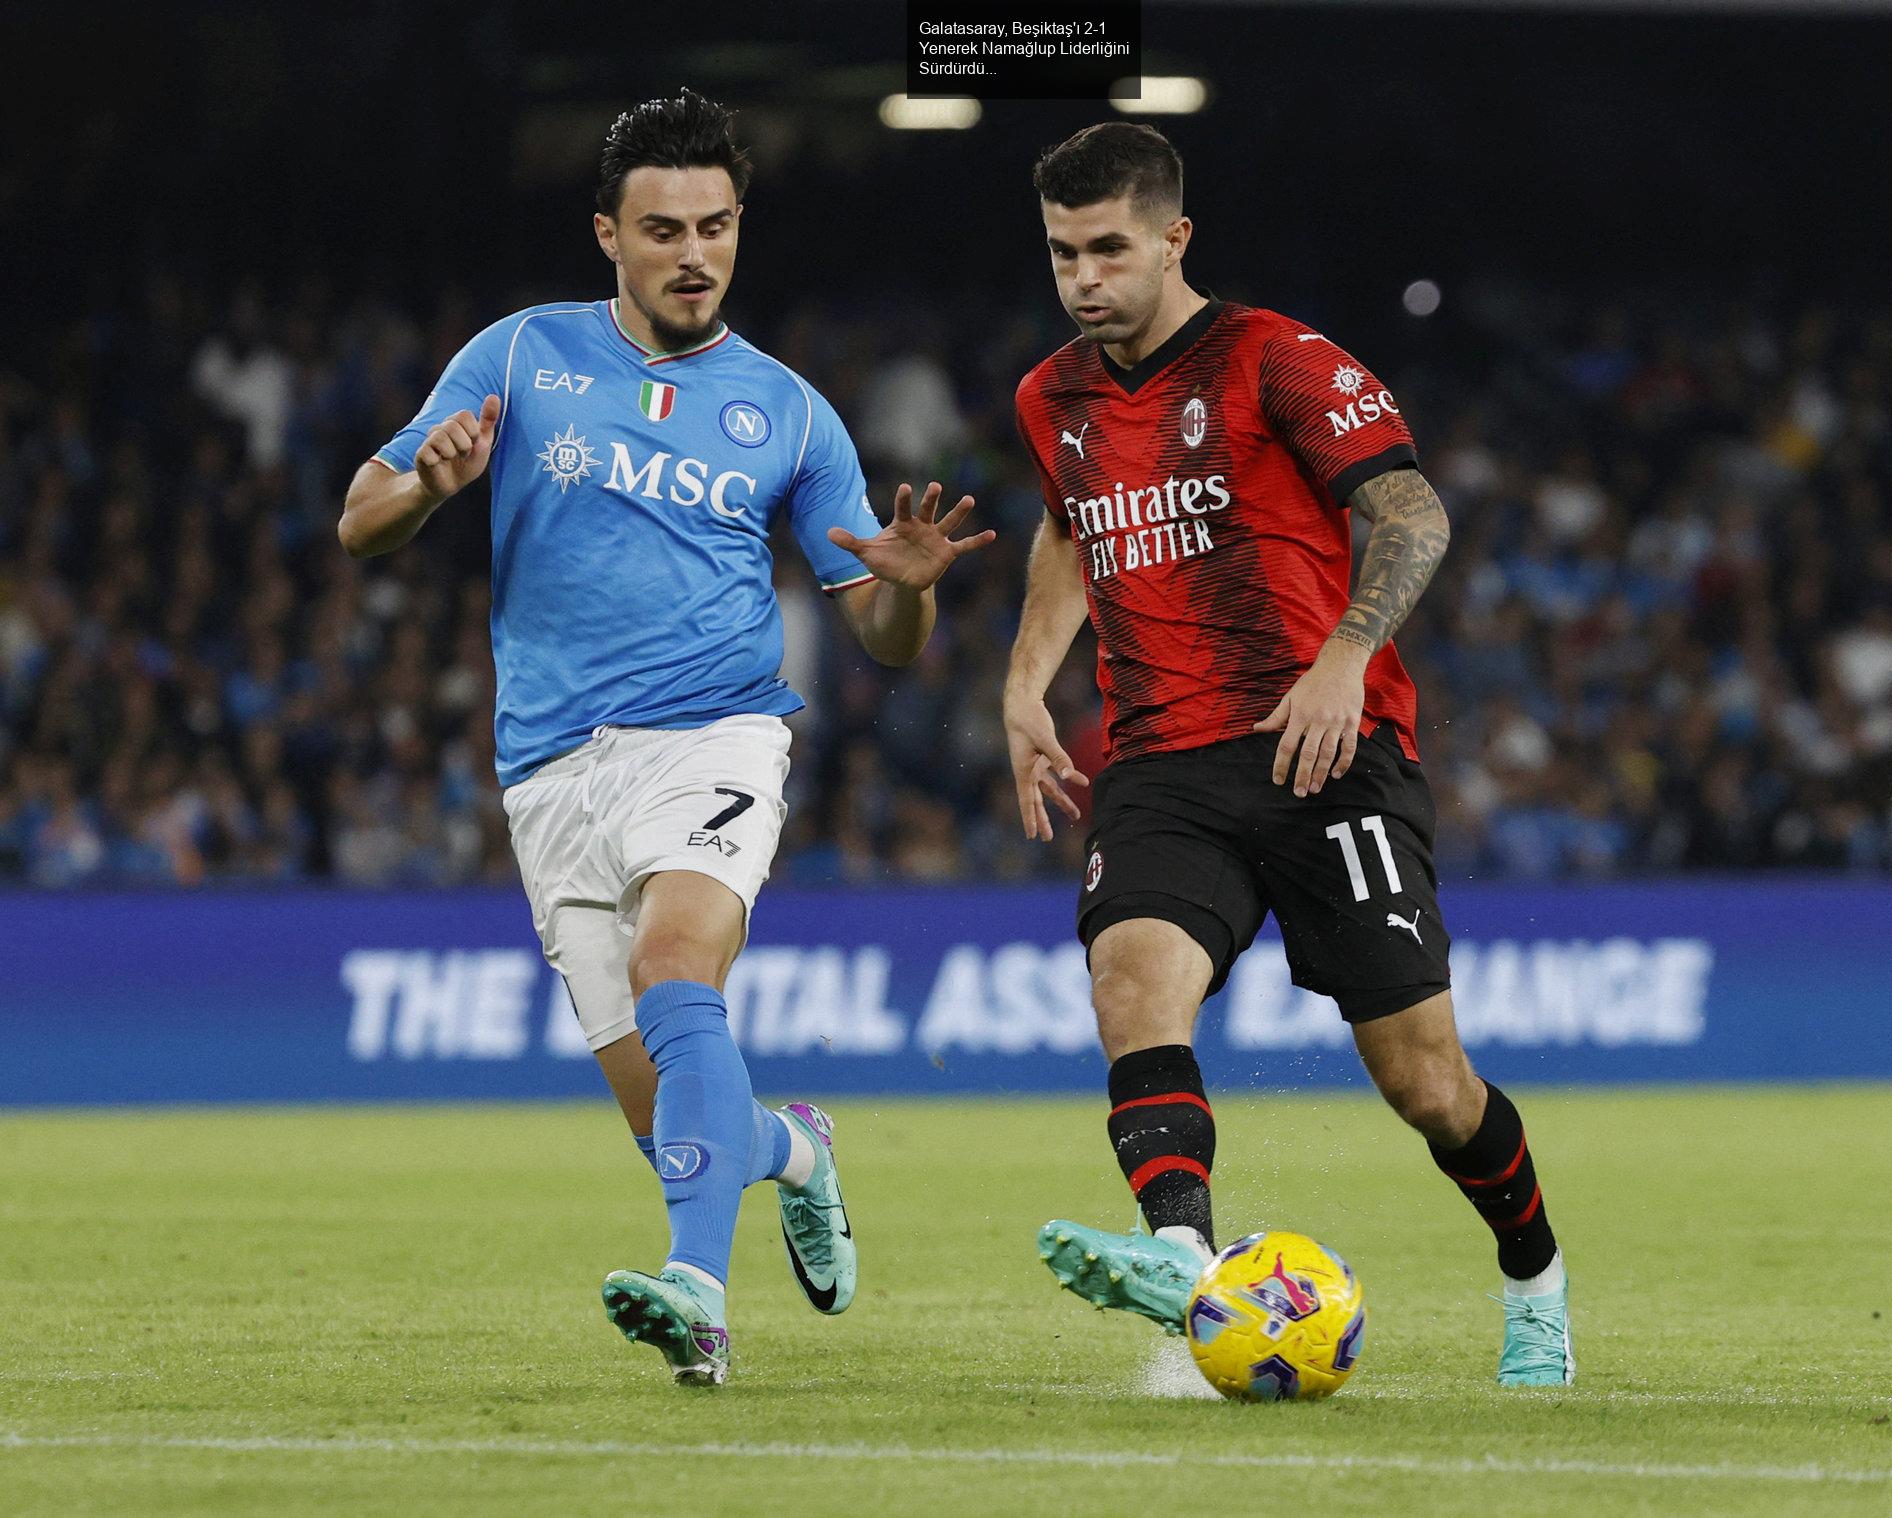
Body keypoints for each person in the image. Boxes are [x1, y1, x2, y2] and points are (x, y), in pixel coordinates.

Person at [338, 89, 990, 1386]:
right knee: (673, 1117)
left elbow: (884, 639)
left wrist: (908, 587)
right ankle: (795, 1148)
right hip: (547, 772)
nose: (694, 252)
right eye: (662, 227)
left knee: (677, 962)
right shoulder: (520, 357)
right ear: (607, 235)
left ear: (740, 226)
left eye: (715, 224)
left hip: (715, 736)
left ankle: (695, 1292)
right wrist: (427, 485)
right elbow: (362, 518)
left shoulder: (795, 415)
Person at [1003, 122, 1573, 1386]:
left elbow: (1410, 511)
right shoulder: (1053, 397)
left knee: (1426, 1085)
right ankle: (1186, 1268)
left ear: (1172, 238)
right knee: (1130, 989)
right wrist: (1024, 684)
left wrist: (1341, 658)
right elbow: (1064, 524)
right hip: (1158, 757)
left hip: (1326, 751)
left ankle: (1533, 1273)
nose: (1083, 277)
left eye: (1107, 249)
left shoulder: (1275, 359)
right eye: (1060, 254)